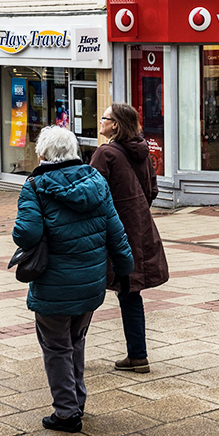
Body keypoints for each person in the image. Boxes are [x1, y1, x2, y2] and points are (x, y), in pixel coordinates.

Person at [13, 126, 134, 434]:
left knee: (56, 347)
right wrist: (125, 270)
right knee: (76, 340)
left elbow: (26, 234)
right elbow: (116, 231)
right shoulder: (96, 182)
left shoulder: (35, 186)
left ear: (43, 154)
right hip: (90, 283)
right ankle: (77, 400)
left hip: (53, 285)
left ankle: (67, 413)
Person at [89, 103, 169, 374]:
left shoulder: (105, 154)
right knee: (130, 292)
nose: (100, 121)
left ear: (116, 124)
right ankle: (138, 355)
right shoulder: (143, 152)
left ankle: (70, 352)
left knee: (85, 288)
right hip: (139, 229)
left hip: (112, 232)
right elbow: (152, 190)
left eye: (104, 117)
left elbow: (92, 195)